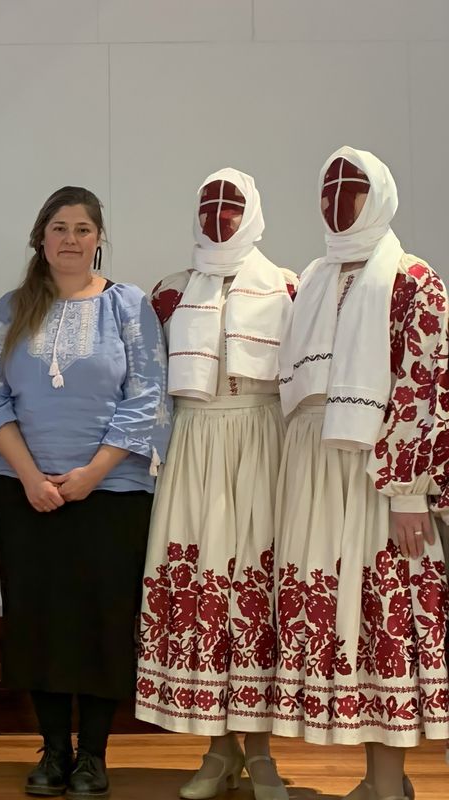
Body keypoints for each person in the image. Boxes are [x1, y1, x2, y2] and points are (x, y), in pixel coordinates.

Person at [0, 186, 171, 799]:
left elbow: (148, 397)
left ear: (99, 237)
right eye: (59, 228)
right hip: (26, 491)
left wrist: (92, 473)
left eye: (83, 228)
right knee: (40, 620)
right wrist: (31, 475)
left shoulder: (129, 307)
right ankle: (54, 751)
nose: (71, 239)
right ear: (41, 237)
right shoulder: (12, 309)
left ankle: (94, 757)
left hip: (112, 492)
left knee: (103, 620)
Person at [272, 146, 448, 800]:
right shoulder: (314, 275)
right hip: (315, 463)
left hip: (378, 473)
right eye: (330, 187)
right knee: (336, 616)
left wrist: (409, 492)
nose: (337, 199)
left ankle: (387, 782)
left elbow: (423, 385)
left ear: (379, 196)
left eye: (352, 188)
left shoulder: (412, 277)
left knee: (381, 617)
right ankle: (376, 782)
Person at [135, 168, 296, 800]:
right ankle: (216, 750)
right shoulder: (170, 293)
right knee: (201, 584)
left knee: (255, 588)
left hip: (261, 441)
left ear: (253, 211)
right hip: (194, 443)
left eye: (232, 205)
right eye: (210, 204)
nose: (220, 215)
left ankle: (260, 752)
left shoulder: (287, 286)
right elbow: (149, 387)